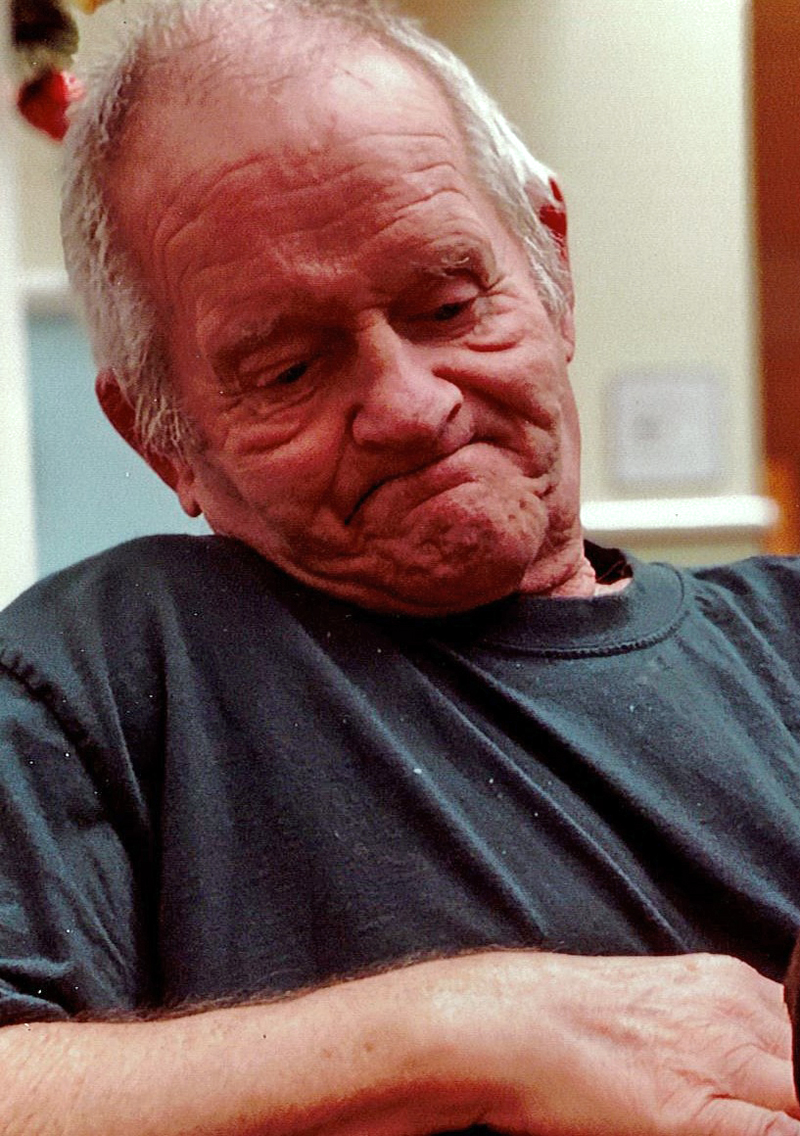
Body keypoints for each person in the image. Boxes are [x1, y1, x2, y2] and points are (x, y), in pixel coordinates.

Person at [2, 0, 800, 1132]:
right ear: (160, 440)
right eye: (288, 369)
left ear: (552, 265)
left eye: (446, 303)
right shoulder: (100, 675)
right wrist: (476, 1033)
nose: (412, 407)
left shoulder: (783, 634)